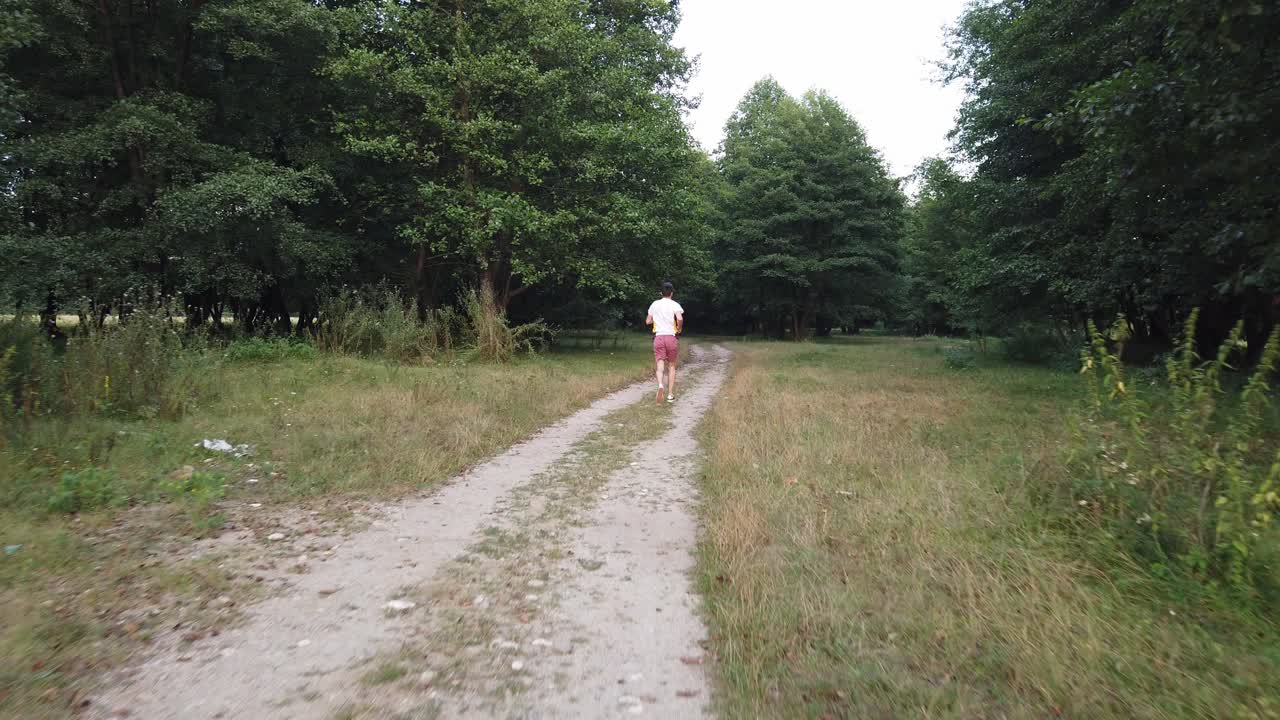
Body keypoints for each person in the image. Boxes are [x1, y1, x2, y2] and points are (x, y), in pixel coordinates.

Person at [646, 282, 684, 403]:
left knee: (660, 364)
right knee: (672, 365)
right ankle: (670, 394)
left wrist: (656, 319)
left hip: (658, 337)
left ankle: (660, 385)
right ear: (671, 293)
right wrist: (679, 328)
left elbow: (648, 321)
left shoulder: (654, 304)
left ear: (660, 293)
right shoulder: (675, 304)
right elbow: (680, 318)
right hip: (671, 337)